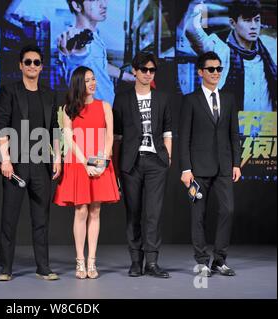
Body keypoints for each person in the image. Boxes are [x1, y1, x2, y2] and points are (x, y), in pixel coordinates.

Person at [0, 44, 62, 281]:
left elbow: (54, 127)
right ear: (20, 65)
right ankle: (5, 268)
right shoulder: (10, 91)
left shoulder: (49, 93)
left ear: (41, 67)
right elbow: (2, 124)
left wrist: (57, 157)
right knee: (9, 217)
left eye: (36, 62)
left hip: (42, 162)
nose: (32, 66)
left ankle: (43, 267)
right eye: (28, 62)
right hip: (16, 163)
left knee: (41, 218)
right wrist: (5, 159)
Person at [179, 51, 241, 277]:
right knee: (198, 215)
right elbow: (183, 137)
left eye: (219, 69)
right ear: (200, 72)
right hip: (197, 171)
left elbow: (234, 133)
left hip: (224, 167)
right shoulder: (190, 100)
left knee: (228, 210)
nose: (216, 73)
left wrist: (236, 162)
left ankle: (219, 260)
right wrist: (186, 169)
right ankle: (202, 261)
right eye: (211, 69)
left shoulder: (229, 98)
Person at [53, 66, 119, 279]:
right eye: (87, 80)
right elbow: (69, 139)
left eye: (94, 79)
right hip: (78, 163)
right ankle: (79, 261)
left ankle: (92, 262)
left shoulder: (105, 106)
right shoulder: (68, 109)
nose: (92, 83)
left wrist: (101, 161)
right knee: (81, 210)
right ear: (79, 84)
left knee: (95, 211)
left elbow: (109, 137)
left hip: (100, 162)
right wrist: (85, 164)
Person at [113, 51, 172, 278]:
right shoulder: (122, 98)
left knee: (153, 214)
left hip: (157, 162)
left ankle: (152, 262)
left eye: (152, 70)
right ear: (135, 71)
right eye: (144, 70)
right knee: (133, 213)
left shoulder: (163, 98)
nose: (148, 74)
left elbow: (168, 130)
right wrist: (117, 167)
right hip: (131, 162)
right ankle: (136, 262)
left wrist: (168, 158)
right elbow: (117, 136)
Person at [183, 0, 276, 111]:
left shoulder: (269, 47)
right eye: (247, 21)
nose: (253, 26)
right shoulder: (221, 50)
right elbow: (191, 29)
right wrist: (200, 6)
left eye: (257, 20)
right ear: (233, 23)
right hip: (234, 125)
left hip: (267, 124)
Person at [57, 0, 135, 105]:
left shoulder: (95, 37)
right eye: (94, 0)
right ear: (77, 6)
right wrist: (76, 52)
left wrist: (126, 76)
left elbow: (98, 64)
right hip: (92, 116)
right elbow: (77, 60)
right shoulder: (75, 40)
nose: (104, 5)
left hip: (107, 110)